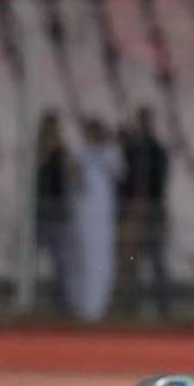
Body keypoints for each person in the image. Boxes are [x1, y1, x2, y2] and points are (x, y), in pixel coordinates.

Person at [68, 118, 125, 322]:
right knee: (82, 262)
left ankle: (97, 309)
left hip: (103, 220)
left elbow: (119, 171)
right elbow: (73, 175)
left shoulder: (110, 152)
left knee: (101, 263)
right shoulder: (82, 152)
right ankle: (82, 308)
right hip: (83, 218)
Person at [118, 108, 171, 321]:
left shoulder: (154, 150)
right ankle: (133, 304)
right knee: (133, 260)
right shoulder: (134, 150)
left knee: (154, 259)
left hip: (150, 211)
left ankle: (161, 305)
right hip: (137, 211)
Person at [35, 112, 74, 310]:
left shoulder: (62, 152)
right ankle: (31, 300)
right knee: (31, 259)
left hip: (57, 214)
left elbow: (68, 180)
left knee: (61, 262)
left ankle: (62, 303)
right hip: (40, 214)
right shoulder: (37, 151)